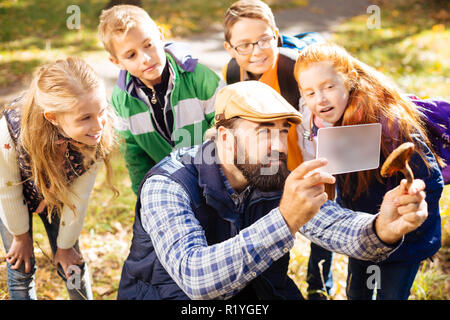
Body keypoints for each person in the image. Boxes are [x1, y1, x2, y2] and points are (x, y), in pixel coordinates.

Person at [117, 81, 429, 300]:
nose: (279, 146)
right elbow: (195, 279)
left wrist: (381, 228)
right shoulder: (168, 185)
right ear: (224, 138)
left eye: (282, 132)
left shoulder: (272, 175)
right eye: (264, 132)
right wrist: (284, 220)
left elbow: (336, 226)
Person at [294, 42, 444, 300]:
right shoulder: (323, 123)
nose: (320, 99)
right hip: (363, 232)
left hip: (403, 240)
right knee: (356, 293)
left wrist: (410, 207)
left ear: (349, 79)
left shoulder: (388, 123)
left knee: (391, 295)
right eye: (310, 93)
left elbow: (432, 179)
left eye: (329, 86)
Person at [222, 0, 332, 299]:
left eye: (264, 40)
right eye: (244, 45)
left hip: (308, 156)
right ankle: (269, 282)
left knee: (320, 213)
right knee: (279, 220)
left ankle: (319, 284)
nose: (256, 51)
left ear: (277, 36)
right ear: (230, 49)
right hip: (273, 163)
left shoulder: (296, 71)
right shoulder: (232, 73)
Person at [0, 57, 117, 300]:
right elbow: (7, 189)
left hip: (61, 195)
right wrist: (21, 236)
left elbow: (79, 197)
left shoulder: (96, 138)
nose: (98, 124)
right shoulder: (11, 130)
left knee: (71, 262)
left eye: (102, 110)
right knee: (20, 264)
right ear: (53, 117)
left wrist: (64, 247)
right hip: (13, 194)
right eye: (85, 117)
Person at [97, 4, 224, 195]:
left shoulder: (201, 79)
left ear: (160, 34)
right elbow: (135, 157)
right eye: (131, 55)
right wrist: (144, 196)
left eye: (148, 45)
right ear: (117, 62)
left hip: (217, 179)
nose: (146, 58)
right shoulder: (121, 103)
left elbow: (226, 131)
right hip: (171, 187)